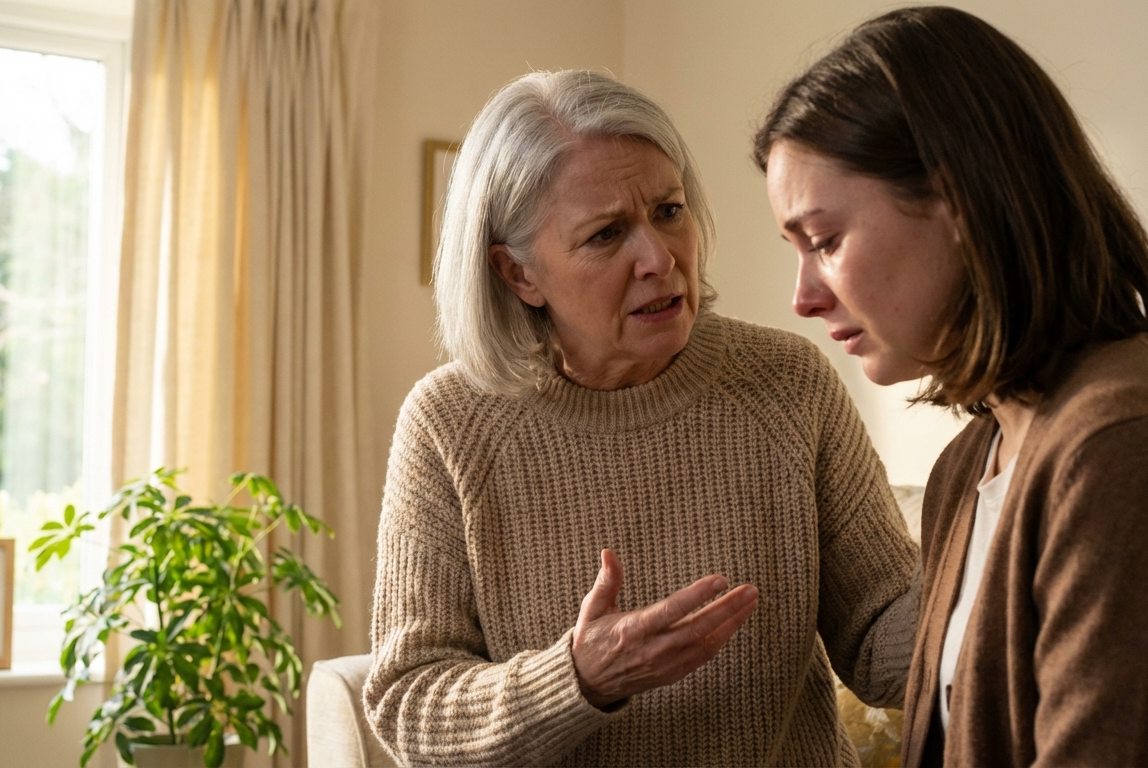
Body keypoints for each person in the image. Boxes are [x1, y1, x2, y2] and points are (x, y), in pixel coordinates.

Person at [755, 6, 1148, 767]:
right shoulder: (971, 462)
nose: (803, 296)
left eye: (826, 241)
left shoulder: (1133, 446)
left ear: (958, 199)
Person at [364, 69, 920, 766]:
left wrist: (1007, 536)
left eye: (668, 211)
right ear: (518, 275)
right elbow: (409, 705)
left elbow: (879, 642)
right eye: (605, 235)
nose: (660, 259)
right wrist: (578, 677)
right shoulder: (450, 424)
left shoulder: (786, 382)